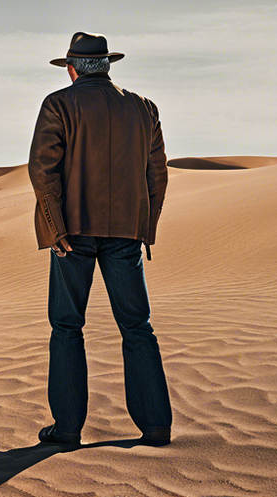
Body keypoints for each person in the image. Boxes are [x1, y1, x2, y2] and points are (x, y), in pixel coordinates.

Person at [29, 32, 172, 447]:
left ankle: (68, 429)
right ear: (107, 66)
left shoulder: (59, 103)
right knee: (137, 326)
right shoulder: (144, 108)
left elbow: (43, 170)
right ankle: (156, 425)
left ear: (72, 68)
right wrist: (145, 228)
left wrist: (55, 227)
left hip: (72, 234)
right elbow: (157, 175)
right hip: (126, 233)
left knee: (67, 326)